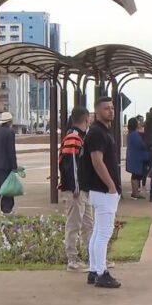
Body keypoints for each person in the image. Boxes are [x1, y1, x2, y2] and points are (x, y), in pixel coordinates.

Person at [79, 96, 122, 288]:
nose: (111, 111)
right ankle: (102, 272)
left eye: (112, 108)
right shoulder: (97, 133)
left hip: (100, 190)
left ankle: (94, 270)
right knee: (104, 233)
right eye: (106, 108)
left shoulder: (102, 132)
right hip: (103, 190)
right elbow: (97, 161)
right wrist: (111, 185)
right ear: (97, 112)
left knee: (98, 231)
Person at [59, 106, 94, 271]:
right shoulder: (74, 138)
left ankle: (93, 256)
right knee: (74, 224)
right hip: (76, 190)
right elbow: (71, 164)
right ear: (86, 119)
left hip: (81, 189)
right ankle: (72, 260)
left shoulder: (77, 137)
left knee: (88, 224)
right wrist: (76, 186)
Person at [126, 117, 149, 199]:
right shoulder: (134, 134)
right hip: (136, 158)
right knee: (136, 176)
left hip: (133, 157)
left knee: (135, 175)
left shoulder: (131, 133)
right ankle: (135, 193)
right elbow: (141, 145)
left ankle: (135, 192)